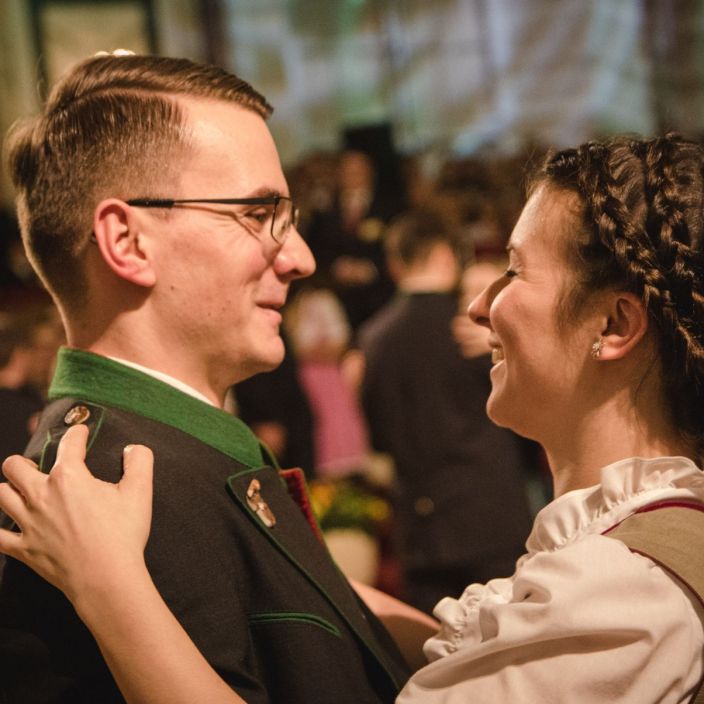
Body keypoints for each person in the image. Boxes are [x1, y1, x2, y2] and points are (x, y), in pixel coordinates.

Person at [3, 132, 704, 703]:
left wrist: (110, 585)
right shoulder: (621, 566)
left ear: (613, 325)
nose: (478, 305)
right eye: (256, 214)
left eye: (514, 271)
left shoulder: (626, 592)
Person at [0, 52, 417, 703]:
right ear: (127, 242)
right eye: (258, 214)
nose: (301, 257)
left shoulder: (171, 446)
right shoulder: (119, 485)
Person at [357, 211, 534, 614]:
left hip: (421, 526)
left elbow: (379, 437)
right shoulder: (477, 328)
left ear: (395, 264)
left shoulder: (373, 338)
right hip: (490, 515)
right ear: (443, 255)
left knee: (435, 644)